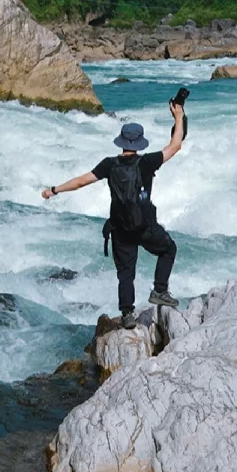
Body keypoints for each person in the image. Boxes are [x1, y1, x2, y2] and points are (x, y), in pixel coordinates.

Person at [41, 103, 185, 329]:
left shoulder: (109, 164)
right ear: (139, 143)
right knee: (169, 249)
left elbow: (80, 182)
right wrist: (178, 116)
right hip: (145, 226)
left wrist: (54, 190)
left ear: (122, 141)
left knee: (126, 272)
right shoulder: (147, 162)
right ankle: (159, 290)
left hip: (120, 228)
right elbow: (175, 146)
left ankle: (127, 314)